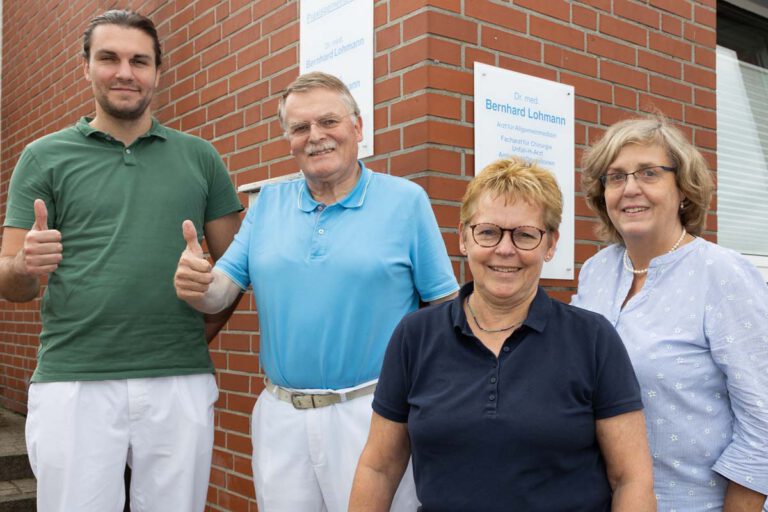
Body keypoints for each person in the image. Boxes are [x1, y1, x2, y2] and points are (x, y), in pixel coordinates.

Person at [174, 71, 459, 511]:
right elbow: (218, 295)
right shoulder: (267, 205)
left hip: (372, 413)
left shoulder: (406, 201)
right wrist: (196, 281)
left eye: (329, 121)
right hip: (280, 417)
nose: (316, 137)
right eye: (300, 127)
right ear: (288, 138)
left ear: (357, 128)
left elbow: (445, 310)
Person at [0, 10, 242, 512]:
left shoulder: (200, 157)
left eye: (140, 60)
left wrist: (200, 328)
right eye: (108, 58)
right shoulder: (43, 157)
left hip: (179, 379)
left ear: (158, 70)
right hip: (74, 379)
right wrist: (26, 265)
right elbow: (12, 283)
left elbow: (237, 269)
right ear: (85, 65)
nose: (125, 72)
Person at [349, 158, 656, 512]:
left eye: (525, 235)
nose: (505, 250)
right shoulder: (415, 336)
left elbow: (631, 478)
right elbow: (379, 468)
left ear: (551, 244)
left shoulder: (592, 339)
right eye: (488, 232)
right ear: (463, 237)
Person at [573, 115, 768, 511]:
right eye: (615, 177)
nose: (630, 189)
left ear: (683, 188)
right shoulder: (596, 271)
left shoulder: (722, 273)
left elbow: (764, 421)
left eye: (648, 173)